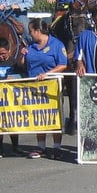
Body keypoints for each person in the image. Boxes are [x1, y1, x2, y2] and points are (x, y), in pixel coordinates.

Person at [18, 18, 68, 160]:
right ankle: (41, 147)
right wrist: (22, 55)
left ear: (38, 31)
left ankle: (57, 148)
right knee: (39, 116)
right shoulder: (31, 46)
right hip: (35, 86)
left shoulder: (56, 44)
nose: (30, 34)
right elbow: (23, 64)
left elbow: (63, 65)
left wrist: (47, 74)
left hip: (52, 85)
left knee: (54, 116)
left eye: (31, 31)